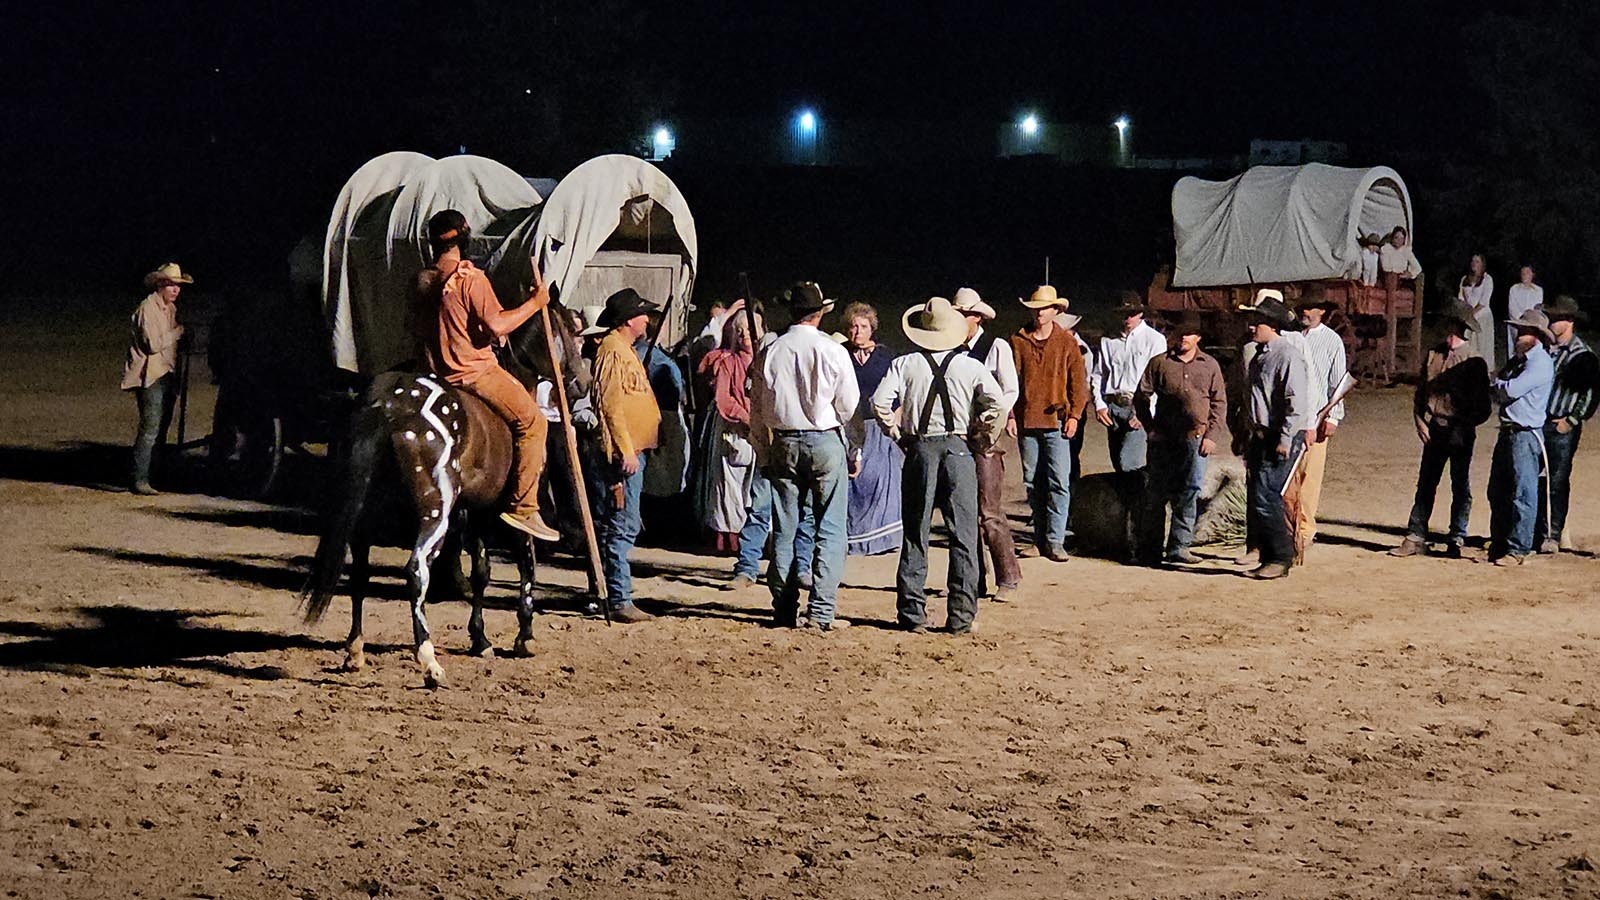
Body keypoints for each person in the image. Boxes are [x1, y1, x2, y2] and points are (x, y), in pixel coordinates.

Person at [416, 209, 558, 541]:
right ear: (463, 240)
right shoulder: (471, 279)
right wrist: (537, 302)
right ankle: (524, 507)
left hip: (432, 373)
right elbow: (497, 324)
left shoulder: (421, 280)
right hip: (471, 372)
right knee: (534, 422)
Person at [872, 297, 1005, 635]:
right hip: (958, 449)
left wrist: (896, 433)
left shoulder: (905, 364)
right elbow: (997, 403)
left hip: (920, 449)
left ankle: (912, 614)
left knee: (916, 533)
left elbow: (879, 403)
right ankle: (961, 617)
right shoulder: (970, 366)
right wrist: (983, 434)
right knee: (963, 534)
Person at [748, 281, 859, 631]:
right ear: (820, 313)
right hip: (823, 438)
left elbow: (758, 412)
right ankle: (821, 610)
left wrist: (763, 452)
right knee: (830, 526)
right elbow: (849, 404)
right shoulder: (831, 350)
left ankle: (783, 608)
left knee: (784, 527)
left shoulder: (771, 351)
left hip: (784, 441)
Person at [1391, 302, 1492, 558]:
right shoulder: (1434, 354)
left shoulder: (1473, 361)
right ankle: (1416, 535)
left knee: (1460, 484)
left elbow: (1482, 407)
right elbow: (1421, 390)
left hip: (1459, 429)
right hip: (1435, 425)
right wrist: (1419, 419)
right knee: (1427, 482)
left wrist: (1463, 424)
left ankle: (1457, 536)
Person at [590, 288, 665, 621]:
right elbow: (610, 404)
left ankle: (608, 592)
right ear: (628, 320)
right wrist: (624, 448)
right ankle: (618, 597)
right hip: (626, 453)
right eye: (642, 314)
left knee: (618, 524)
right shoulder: (612, 351)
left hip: (634, 447)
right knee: (622, 524)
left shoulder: (624, 350)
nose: (647, 320)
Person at [1134, 312, 1226, 565]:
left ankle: (1179, 546)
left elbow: (1219, 403)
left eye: (1189, 334)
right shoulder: (1159, 363)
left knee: (1189, 491)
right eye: (1180, 333)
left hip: (1195, 439)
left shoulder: (1210, 365)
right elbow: (1141, 396)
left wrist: (1212, 435)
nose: (1183, 338)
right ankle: (1150, 549)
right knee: (1156, 493)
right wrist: (1149, 427)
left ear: (1198, 337)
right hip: (1163, 439)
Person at [1009, 285, 1089, 561]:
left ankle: (1055, 540)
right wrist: (1010, 414)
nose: (1039, 313)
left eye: (1044, 308)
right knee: (1032, 482)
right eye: (1035, 308)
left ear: (1056, 311)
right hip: (1027, 420)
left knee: (1058, 481)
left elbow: (1079, 383)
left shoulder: (1066, 342)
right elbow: (1011, 382)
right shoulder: (1018, 341)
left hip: (1057, 421)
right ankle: (1039, 538)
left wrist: (1075, 415)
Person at [1234, 291, 1310, 580]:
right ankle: (1269, 556)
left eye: (1257, 321)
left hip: (1279, 436)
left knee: (1267, 496)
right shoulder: (1258, 356)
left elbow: (1295, 402)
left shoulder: (1288, 356)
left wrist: (1286, 438)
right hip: (1260, 435)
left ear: (1272, 325)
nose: (1252, 327)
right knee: (1259, 496)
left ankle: (1280, 556)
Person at [952, 288, 1022, 600]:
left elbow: (1010, 391)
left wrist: (991, 423)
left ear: (976, 317)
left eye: (962, 314)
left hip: (985, 438)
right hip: (958, 436)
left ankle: (1008, 577)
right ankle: (973, 578)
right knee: (962, 511)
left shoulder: (996, 347)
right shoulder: (951, 349)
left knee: (988, 510)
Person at [1089, 292, 1167, 558]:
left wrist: (1145, 412)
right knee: (1121, 468)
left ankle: (1136, 535)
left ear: (1141, 314)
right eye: (1124, 313)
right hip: (1114, 405)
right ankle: (1126, 531)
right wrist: (1099, 404)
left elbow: (1158, 380)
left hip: (1137, 405)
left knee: (1130, 467)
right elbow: (1099, 373)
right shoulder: (1108, 340)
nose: (1128, 318)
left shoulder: (1154, 340)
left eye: (1132, 313)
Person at [1485, 309, 1555, 566]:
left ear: (1535, 336)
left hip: (1525, 434)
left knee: (1523, 493)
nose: (1518, 336)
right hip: (1510, 431)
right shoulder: (1520, 361)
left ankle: (1519, 548)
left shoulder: (1540, 364)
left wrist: (1498, 385)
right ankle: (1502, 541)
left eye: (1523, 331)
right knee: (1498, 490)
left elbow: (1508, 390)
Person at [840, 302, 904, 556]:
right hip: (850, 425)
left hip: (878, 427)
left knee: (879, 480)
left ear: (872, 329)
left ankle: (882, 539)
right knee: (853, 481)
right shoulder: (840, 354)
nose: (857, 331)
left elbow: (898, 392)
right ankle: (853, 539)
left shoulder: (885, 356)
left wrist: (895, 424)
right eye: (853, 326)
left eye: (863, 326)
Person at [1535, 295, 1598, 553]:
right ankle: (1543, 530)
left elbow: (1591, 394)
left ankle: (1552, 533)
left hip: (1560, 424)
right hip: (1540, 422)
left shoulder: (1582, 355)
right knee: (1537, 479)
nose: (1551, 322)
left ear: (1569, 322)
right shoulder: (1546, 350)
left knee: (1557, 480)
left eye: (1556, 318)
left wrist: (1571, 421)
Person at [122, 262, 192, 494]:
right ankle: (139, 478)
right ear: (160, 285)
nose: (176, 290)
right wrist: (178, 333)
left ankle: (152, 475)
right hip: (150, 375)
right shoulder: (147, 309)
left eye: (178, 286)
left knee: (160, 428)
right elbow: (153, 345)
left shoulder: (169, 309)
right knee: (151, 428)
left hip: (165, 372)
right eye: (172, 285)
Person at [696, 305, 759, 553]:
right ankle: (728, 537)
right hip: (734, 431)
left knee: (754, 488)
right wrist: (746, 418)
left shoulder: (768, 361)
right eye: (740, 331)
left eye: (749, 331)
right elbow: (724, 398)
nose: (744, 336)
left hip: (761, 434)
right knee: (728, 486)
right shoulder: (728, 362)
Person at [1293, 287, 1349, 552]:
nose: (1305, 311)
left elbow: (1337, 382)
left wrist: (1334, 417)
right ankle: (1289, 524)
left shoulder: (1331, 341)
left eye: (1311, 307)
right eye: (1303, 306)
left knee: (1310, 476)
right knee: (1291, 475)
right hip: (1292, 417)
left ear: (1321, 311)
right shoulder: (1291, 335)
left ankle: (1305, 527)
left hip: (1317, 416)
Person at [1458, 253, 1496, 364]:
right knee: (1470, 344)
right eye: (1473, 261)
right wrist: (1465, 313)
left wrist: (1472, 313)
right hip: (1468, 317)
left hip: (1482, 316)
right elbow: (1461, 297)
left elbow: (1484, 301)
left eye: (1477, 261)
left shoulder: (1487, 280)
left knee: (1483, 345)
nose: (1474, 263)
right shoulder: (1465, 279)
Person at [1505, 265, 1544, 360]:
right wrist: (1521, 320)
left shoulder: (1538, 290)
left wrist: (1530, 321)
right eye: (1523, 273)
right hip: (1516, 322)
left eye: (1527, 273)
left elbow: (1537, 308)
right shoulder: (1514, 289)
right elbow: (1512, 307)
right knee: (1516, 346)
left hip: (1531, 324)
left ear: (1532, 275)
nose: (1524, 275)